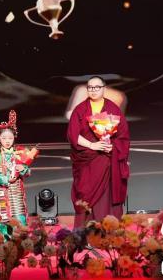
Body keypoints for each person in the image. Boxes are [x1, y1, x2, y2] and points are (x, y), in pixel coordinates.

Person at [67, 76, 130, 227]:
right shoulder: (80, 109)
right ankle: (85, 234)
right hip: (87, 162)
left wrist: (113, 147)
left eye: (97, 87)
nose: (93, 90)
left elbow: (123, 136)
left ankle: (109, 232)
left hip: (107, 161)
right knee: (85, 195)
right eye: (90, 87)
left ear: (104, 88)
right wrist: (92, 145)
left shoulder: (113, 108)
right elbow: (73, 135)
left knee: (107, 198)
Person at [0, 110, 31, 237]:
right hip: (2, 191)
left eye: (10, 138)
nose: (7, 141)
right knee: (3, 218)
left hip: (16, 191)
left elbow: (27, 172)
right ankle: (5, 242)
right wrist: (5, 179)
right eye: (4, 138)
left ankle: (20, 242)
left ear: (14, 138)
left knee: (19, 217)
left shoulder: (19, 152)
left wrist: (22, 168)